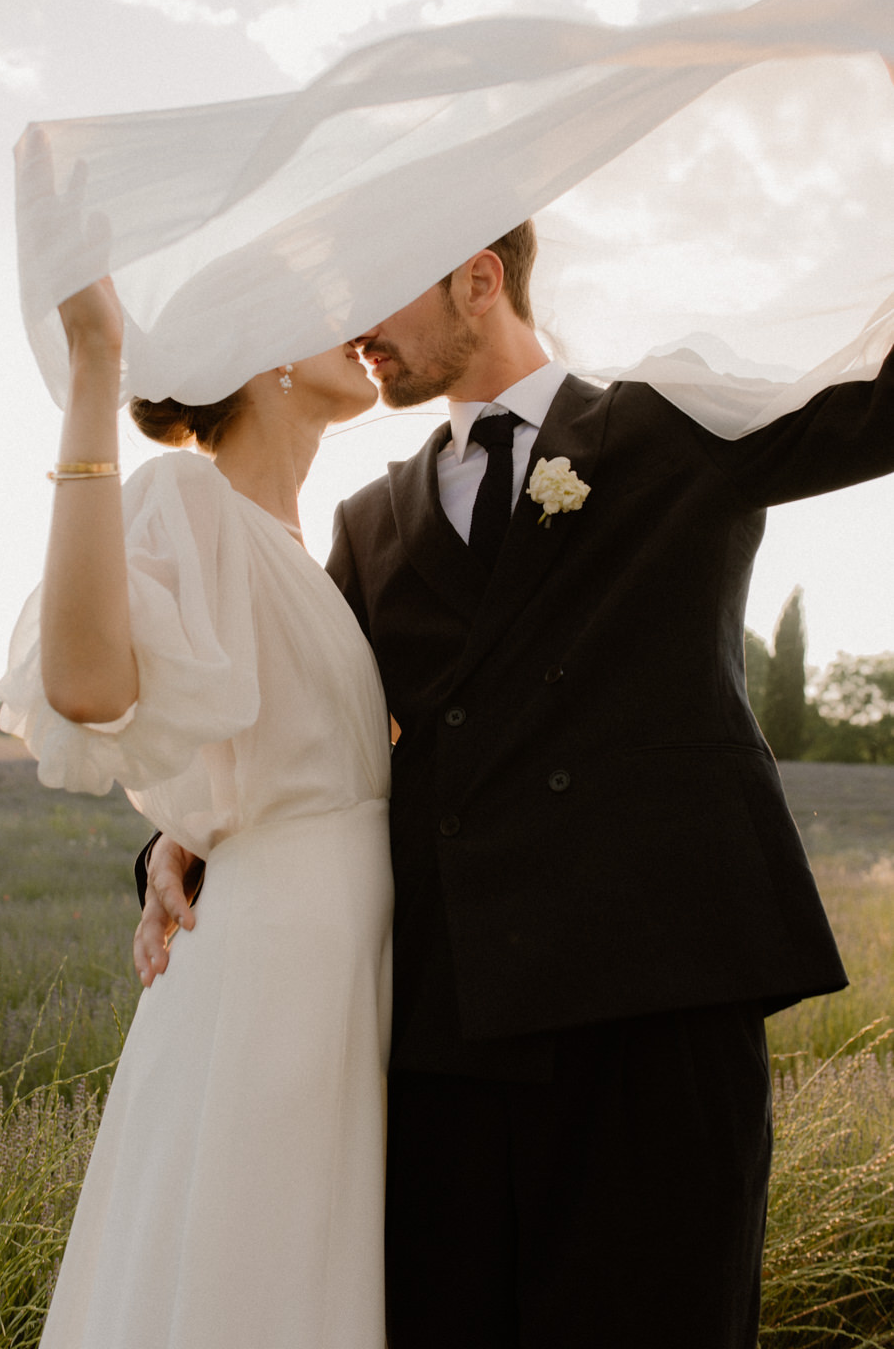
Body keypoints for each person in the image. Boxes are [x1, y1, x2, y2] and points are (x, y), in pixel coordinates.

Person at [137, 217, 894, 1349]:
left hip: (657, 1009)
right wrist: (178, 836)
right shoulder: (367, 523)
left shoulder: (673, 422)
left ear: (478, 279)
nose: (353, 327)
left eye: (377, 288)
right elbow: (300, 724)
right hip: (448, 1031)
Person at [0, 274, 394, 1349]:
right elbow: (88, 683)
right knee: (250, 1266)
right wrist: (93, 371)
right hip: (275, 969)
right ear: (266, 352)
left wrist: (191, 825)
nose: (356, 321)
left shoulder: (306, 550)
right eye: (321, 304)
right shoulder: (186, 495)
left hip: (343, 957)